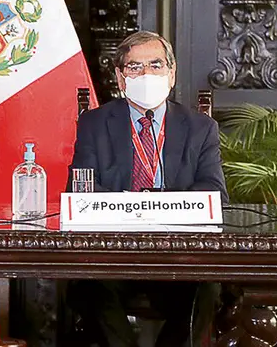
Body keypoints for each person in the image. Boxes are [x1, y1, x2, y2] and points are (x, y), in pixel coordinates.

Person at [67, 30, 227, 347]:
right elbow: (81, 188)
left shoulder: (200, 127)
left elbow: (214, 191)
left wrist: (156, 205)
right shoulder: (94, 124)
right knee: (89, 286)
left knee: (207, 287)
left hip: (179, 255)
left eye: (155, 65)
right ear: (120, 77)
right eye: (135, 67)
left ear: (171, 73)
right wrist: (133, 208)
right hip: (113, 253)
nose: (146, 74)